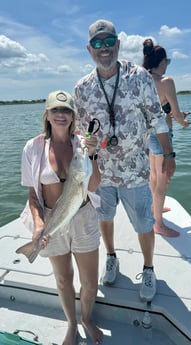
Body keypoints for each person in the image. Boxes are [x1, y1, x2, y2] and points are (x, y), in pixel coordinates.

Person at [73, 19, 176, 303]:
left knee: (144, 224)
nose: (104, 48)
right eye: (97, 43)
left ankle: (149, 268)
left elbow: (157, 118)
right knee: (105, 219)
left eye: (109, 42)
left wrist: (168, 154)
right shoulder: (81, 88)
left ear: (118, 44)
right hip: (100, 174)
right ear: (89, 49)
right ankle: (111, 257)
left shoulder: (140, 76)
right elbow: (81, 134)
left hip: (134, 171)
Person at [20, 90, 103, 345]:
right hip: (52, 219)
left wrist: (91, 155)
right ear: (47, 114)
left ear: (73, 116)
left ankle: (86, 318)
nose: (60, 115)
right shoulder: (32, 148)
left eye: (66, 110)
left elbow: (94, 185)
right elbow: (34, 195)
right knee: (63, 278)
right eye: (55, 109)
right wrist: (39, 226)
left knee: (89, 281)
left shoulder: (82, 145)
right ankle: (71, 325)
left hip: (83, 217)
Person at [142, 39, 190, 237]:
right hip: (162, 137)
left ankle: (155, 209)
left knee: (153, 176)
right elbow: (177, 115)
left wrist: (171, 114)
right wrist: (183, 122)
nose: (167, 64)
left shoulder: (143, 80)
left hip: (147, 136)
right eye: (167, 61)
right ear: (161, 62)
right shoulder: (166, 82)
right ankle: (158, 225)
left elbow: (156, 111)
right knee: (162, 181)